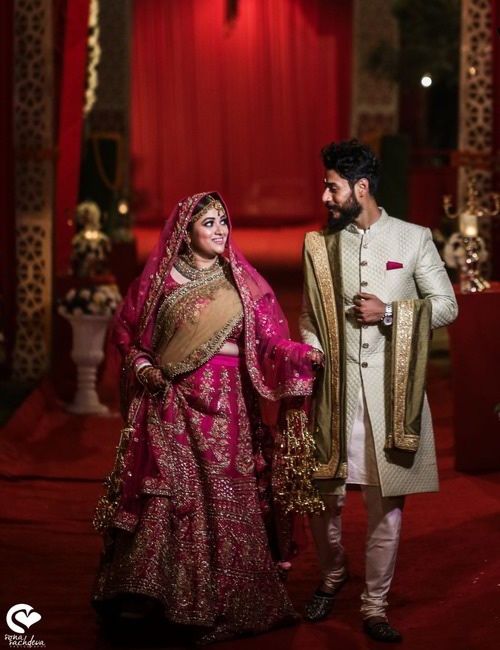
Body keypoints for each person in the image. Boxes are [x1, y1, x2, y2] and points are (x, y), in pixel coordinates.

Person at [92, 192, 318, 644]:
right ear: (185, 231)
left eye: (223, 223)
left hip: (228, 413)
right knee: (169, 496)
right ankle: (155, 595)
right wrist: (144, 368)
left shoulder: (243, 284)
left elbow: (272, 344)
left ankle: (225, 601)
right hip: (171, 405)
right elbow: (128, 335)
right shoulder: (159, 283)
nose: (219, 231)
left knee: (224, 499)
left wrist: (304, 356)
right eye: (208, 223)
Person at [299, 140, 458, 642]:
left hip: (391, 397)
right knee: (323, 498)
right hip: (335, 396)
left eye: (332, 186)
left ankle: (373, 604)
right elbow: (308, 317)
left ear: (360, 188)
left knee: (385, 504)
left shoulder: (412, 239)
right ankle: (332, 575)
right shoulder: (320, 247)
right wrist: (310, 348)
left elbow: (446, 305)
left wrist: (388, 313)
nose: (324, 195)